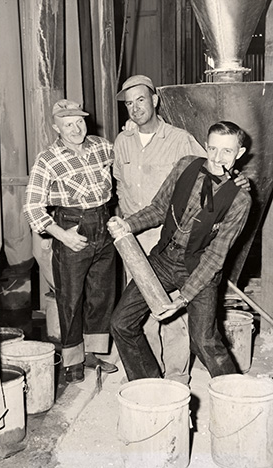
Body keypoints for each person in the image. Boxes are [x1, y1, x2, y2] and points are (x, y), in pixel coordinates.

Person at [113, 74, 249, 384]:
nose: (217, 158)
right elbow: (159, 209)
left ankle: (236, 398)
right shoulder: (187, 164)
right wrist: (127, 224)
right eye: (213, 149)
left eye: (227, 152)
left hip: (199, 267)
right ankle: (149, 384)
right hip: (163, 258)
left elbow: (216, 257)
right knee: (121, 322)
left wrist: (184, 297)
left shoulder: (240, 198)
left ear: (238, 154)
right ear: (206, 146)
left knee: (204, 342)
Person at [23, 99, 118, 383]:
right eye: (68, 124)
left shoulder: (103, 146)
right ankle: (72, 361)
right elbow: (32, 207)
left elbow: (123, 167)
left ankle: (94, 354)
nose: (76, 129)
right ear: (56, 127)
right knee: (71, 298)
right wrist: (62, 235)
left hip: (104, 221)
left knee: (102, 294)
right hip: (72, 225)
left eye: (79, 122)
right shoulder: (47, 158)